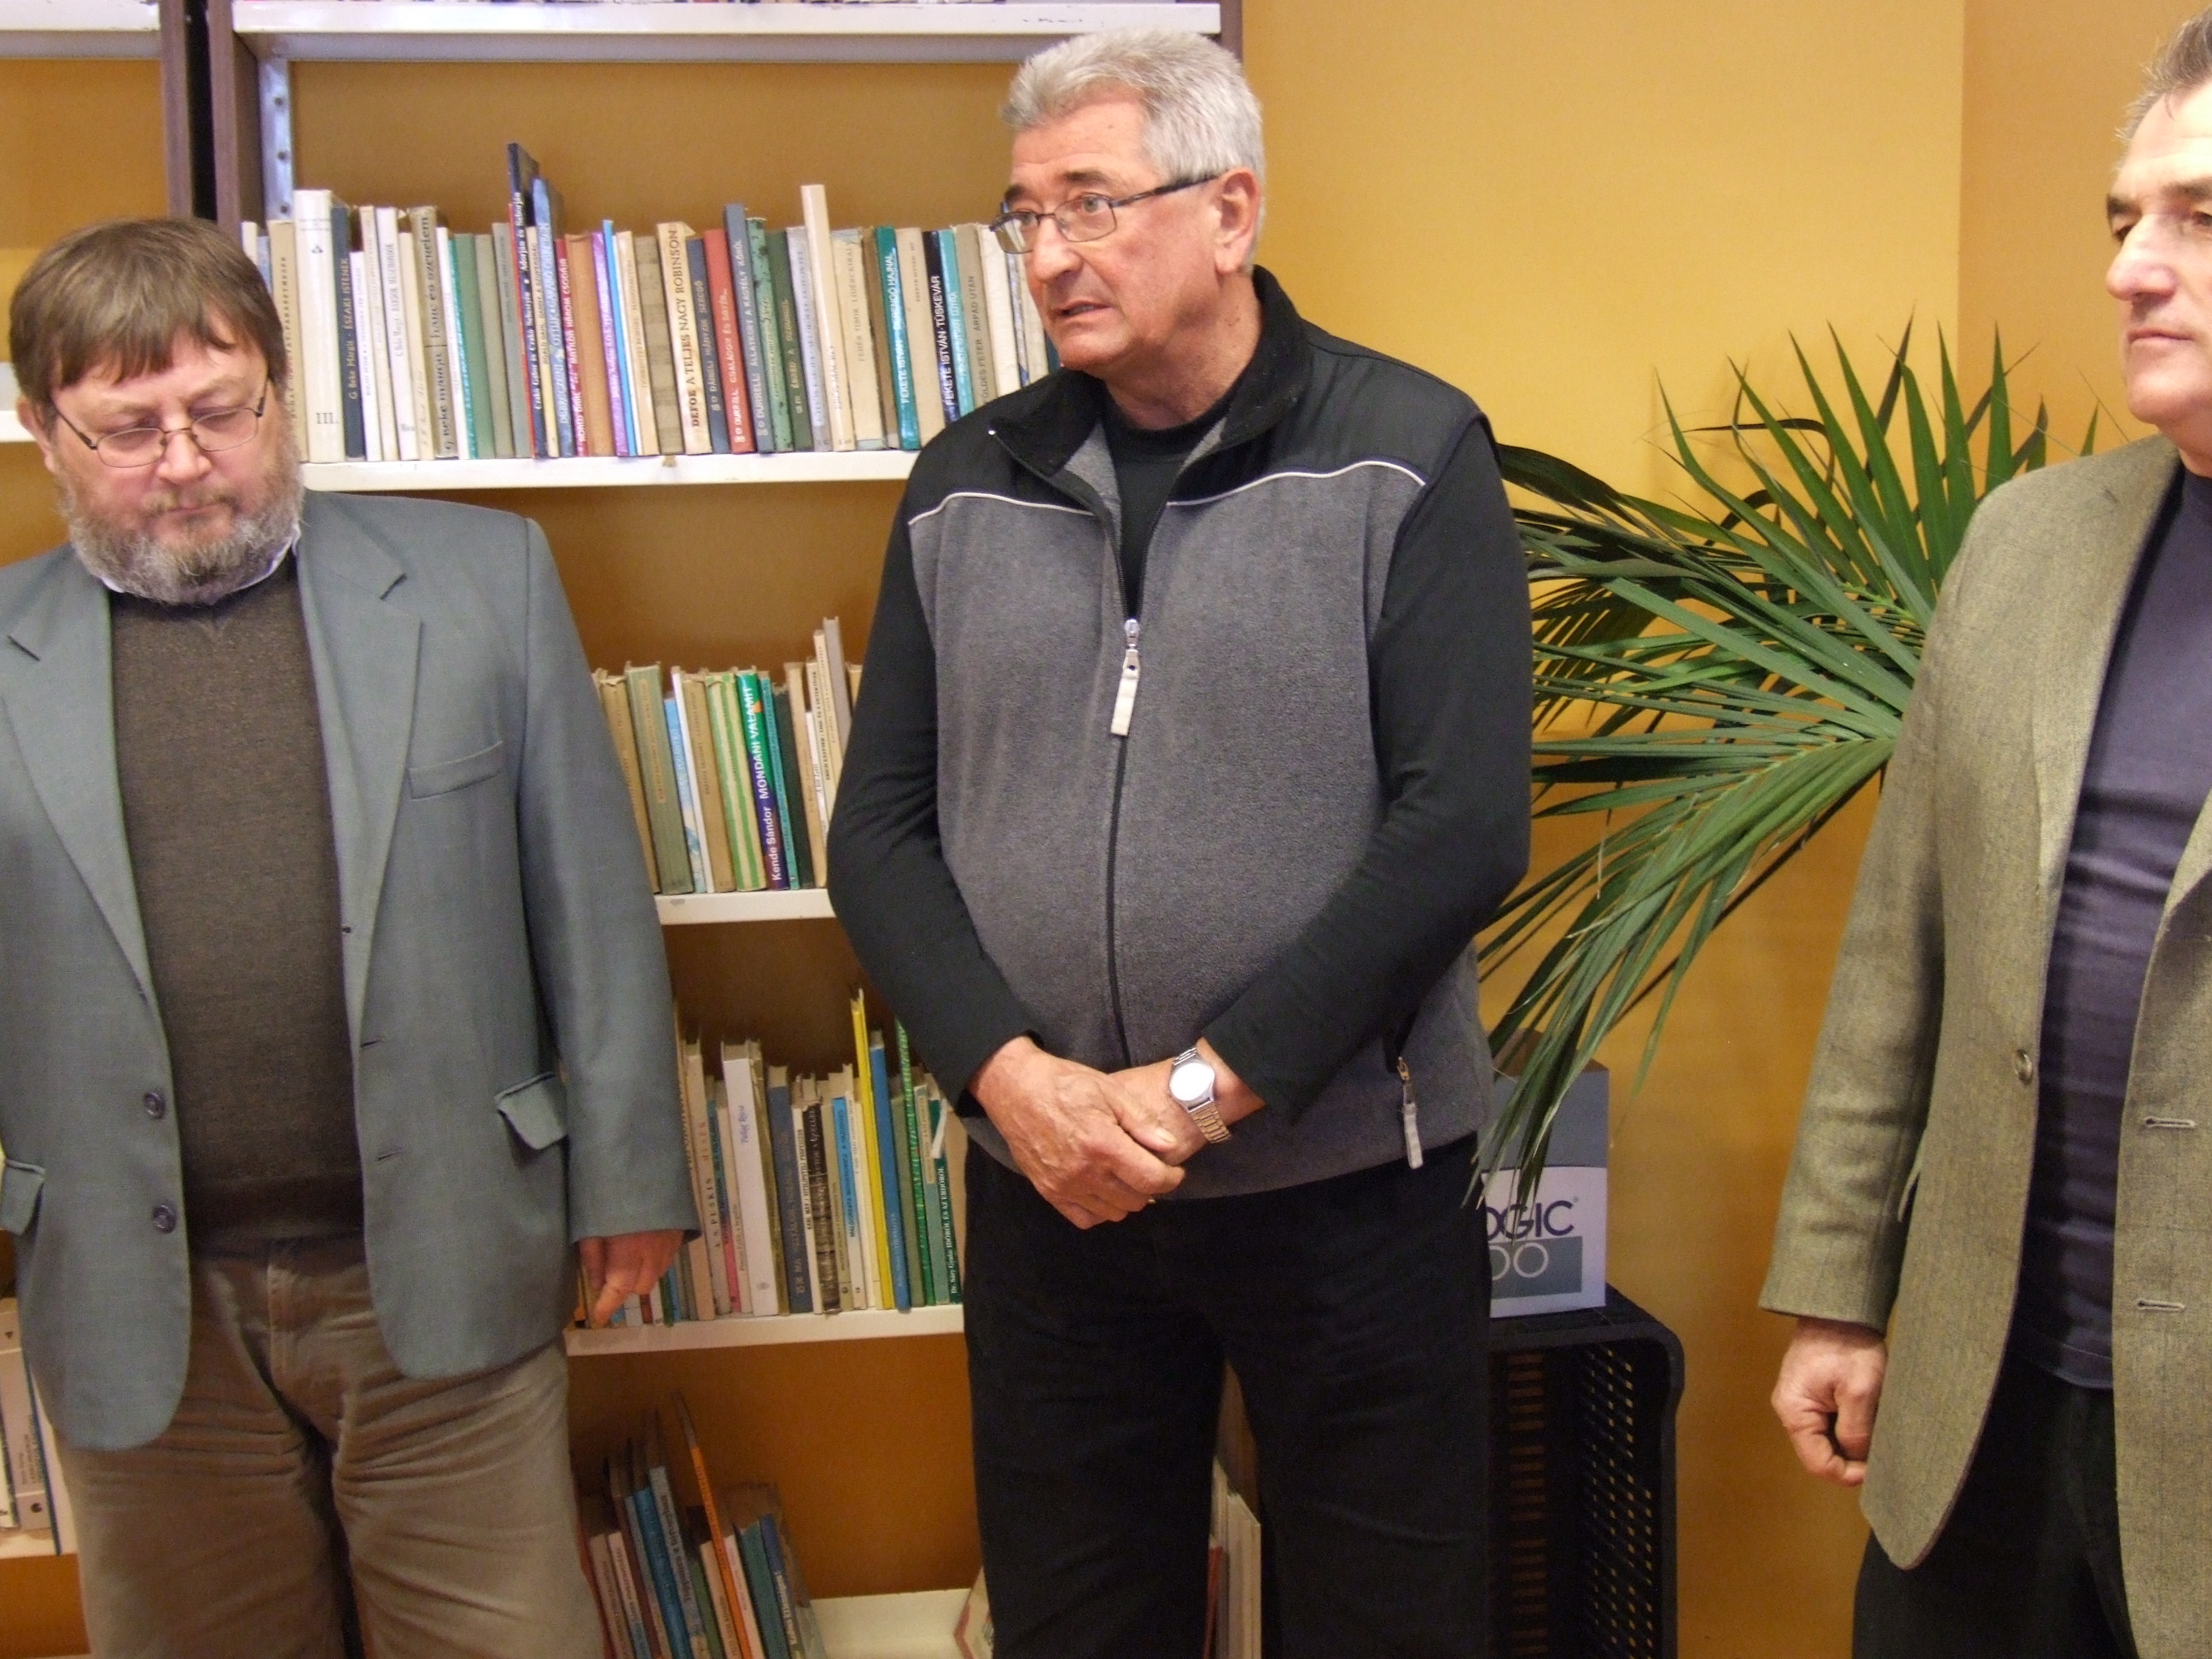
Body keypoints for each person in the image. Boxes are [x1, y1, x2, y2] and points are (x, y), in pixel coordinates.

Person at [827, 28, 1530, 1659]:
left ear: (1230, 210)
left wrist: (1202, 1092)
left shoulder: (1409, 451)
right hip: (1055, 1194)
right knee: (1075, 1625)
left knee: (1390, 1628)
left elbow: (1460, 829)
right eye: (1026, 216)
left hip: (1351, 1197)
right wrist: (1017, 1085)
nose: (1049, 255)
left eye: (1092, 203)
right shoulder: (964, 479)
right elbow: (879, 830)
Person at [0, 217, 695, 1659]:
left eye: (220, 409)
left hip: (445, 1257)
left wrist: (630, 1175)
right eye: (129, 429)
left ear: (279, 387)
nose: (186, 461)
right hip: (137, 1301)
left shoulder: (482, 580)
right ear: (41, 430)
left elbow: (590, 898)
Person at [1762, 13, 2212, 1657]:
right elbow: (1902, 949)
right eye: (2125, 218)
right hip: (1980, 1413)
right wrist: (1840, 1286)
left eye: (2200, 217)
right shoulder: (2026, 545)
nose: (2130, 269)